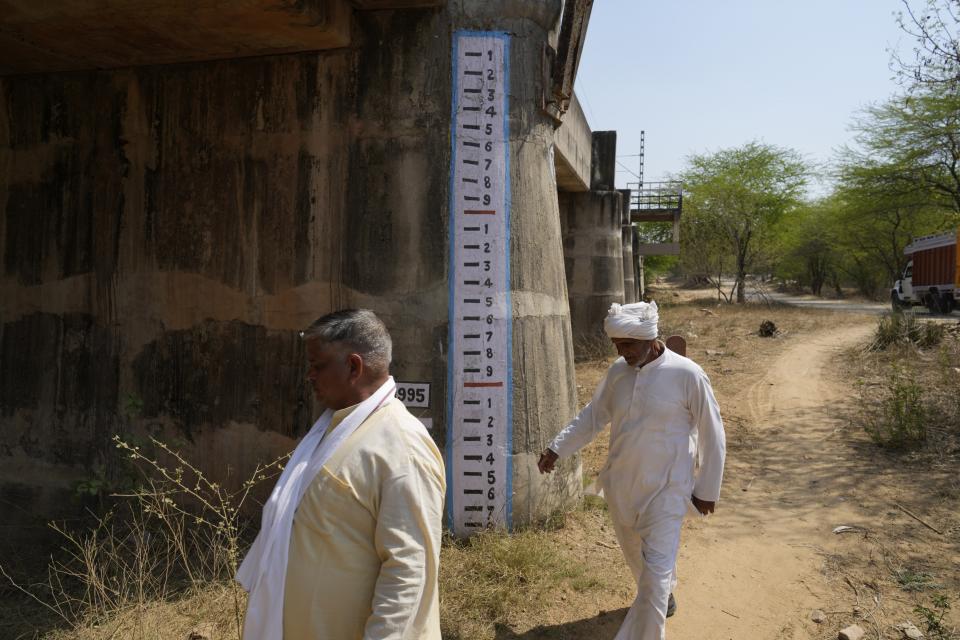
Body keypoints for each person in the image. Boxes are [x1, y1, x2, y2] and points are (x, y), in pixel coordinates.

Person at [237, 309, 445, 640]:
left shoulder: (402, 445)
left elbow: (409, 570)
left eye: (317, 366)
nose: (309, 375)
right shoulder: (333, 430)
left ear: (353, 366)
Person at [538, 301, 725, 640]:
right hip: (622, 485)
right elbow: (593, 416)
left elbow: (713, 432)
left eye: (629, 345)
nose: (623, 352)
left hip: (668, 489)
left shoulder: (688, 374)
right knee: (639, 562)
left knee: (651, 585)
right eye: (618, 345)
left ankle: (654, 612)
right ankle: (663, 587)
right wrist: (557, 447)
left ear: (651, 339)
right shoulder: (617, 372)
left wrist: (707, 489)